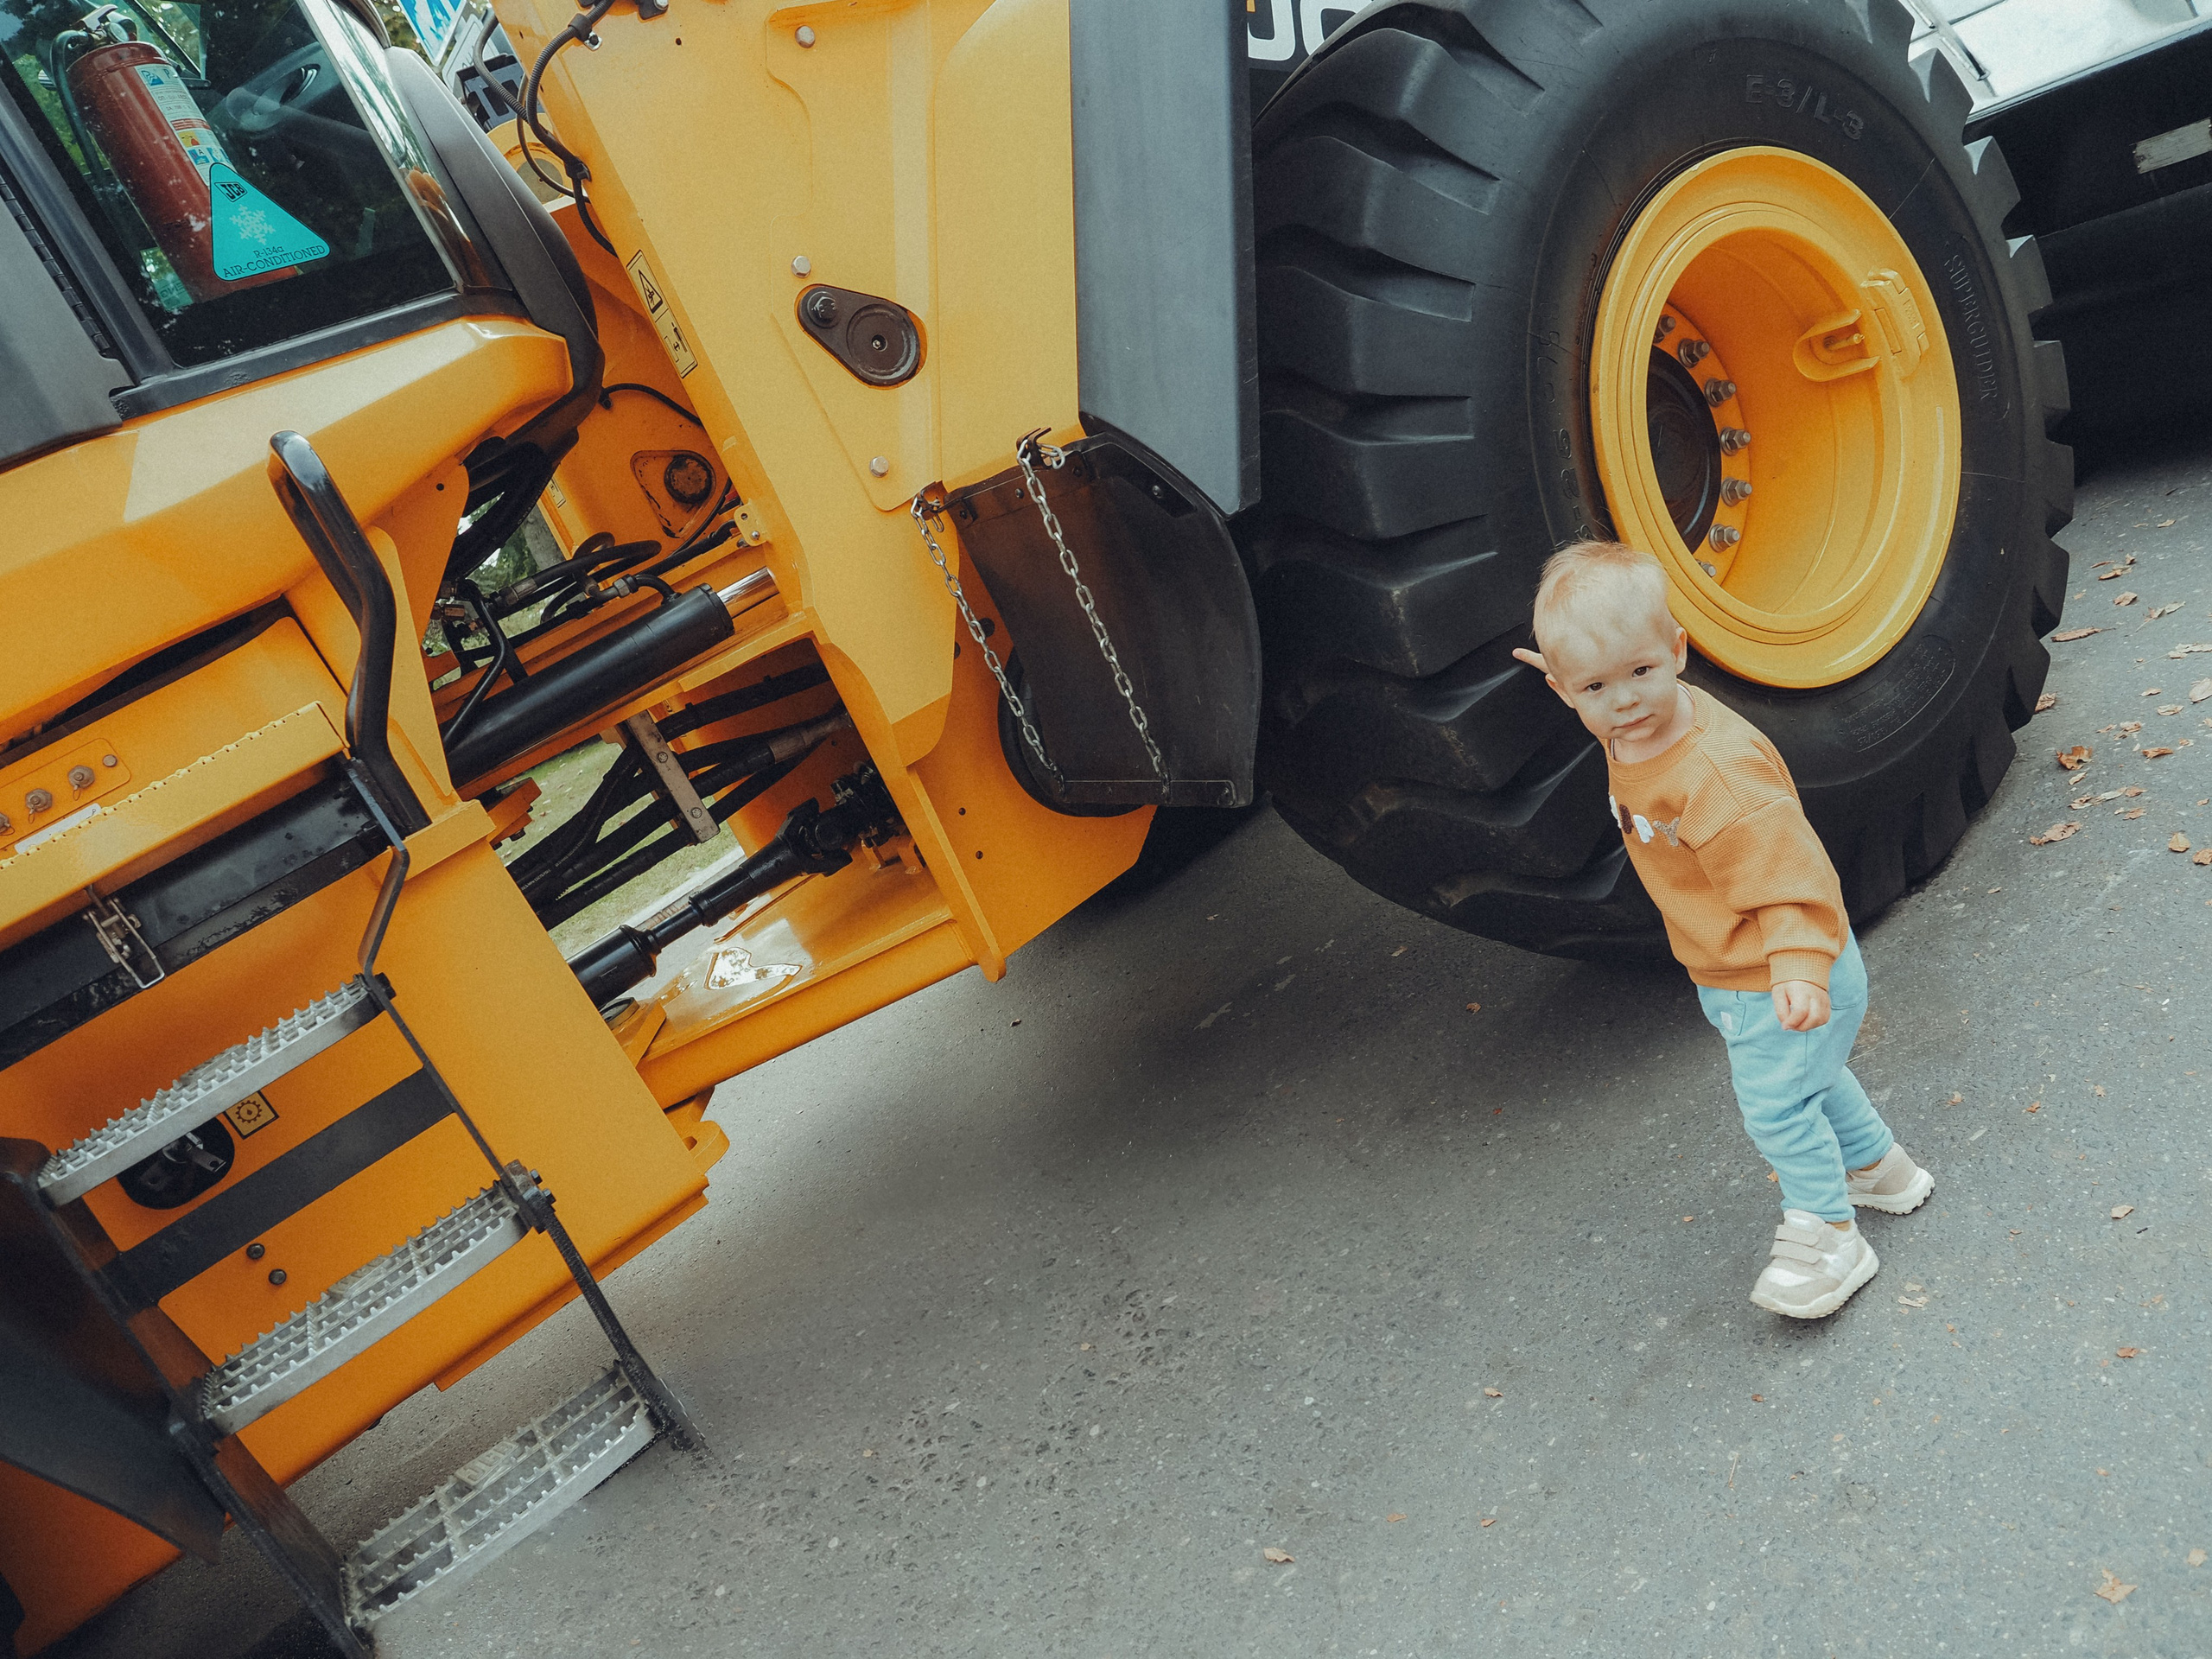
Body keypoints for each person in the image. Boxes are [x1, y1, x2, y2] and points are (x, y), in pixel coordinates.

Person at [1510, 540, 1933, 1318]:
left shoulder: (1716, 774)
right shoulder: (1627, 726)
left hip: (1784, 970)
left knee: (1777, 1106)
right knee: (1812, 1077)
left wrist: (1798, 966)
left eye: (1640, 672)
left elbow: (1789, 875)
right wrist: (1571, 675)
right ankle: (1881, 1171)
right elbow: (1604, 689)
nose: (1626, 701)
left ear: (1676, 650)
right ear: (1567, 692)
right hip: (1736, 972)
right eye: (1596, 687)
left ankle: (1830, 1236)